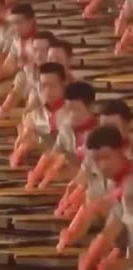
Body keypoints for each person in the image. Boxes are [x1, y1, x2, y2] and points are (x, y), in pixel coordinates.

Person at [56, 100, 132, 250]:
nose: (108, 132)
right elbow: (81, 180)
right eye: (103, 127)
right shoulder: (97, 147)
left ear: (128, 125)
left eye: (113, 127)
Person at [70, 126, 133, 270]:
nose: (102, 166)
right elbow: (111, 230)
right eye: (96, 160)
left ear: (122, 150)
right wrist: (91, 257)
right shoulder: (120, 185)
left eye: (106, 157)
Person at [25, 81, 97, 190]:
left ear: (91, 107)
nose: (71, 115)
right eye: (68, 109)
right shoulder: (65, 129)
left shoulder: (101, 134)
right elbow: (55, 153)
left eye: (76, 109)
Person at [9, 62, 68, 168]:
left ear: (63, 85)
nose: (48, 91)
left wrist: (40, 144)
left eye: (53, 86)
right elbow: (17, 154)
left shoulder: (73, 114)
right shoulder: (33, 117)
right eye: (44, 86)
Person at [0, 31, 56, 120]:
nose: (39, 55)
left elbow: (46, 107)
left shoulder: (57, 76)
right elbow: (16, 95)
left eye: (43, 50)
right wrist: (4, 110)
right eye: (35, 50)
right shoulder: (28, 72)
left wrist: (9, 113)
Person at [0, 3, 38, 94]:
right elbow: (9, 66)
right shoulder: (16, 41)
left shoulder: (40, 42)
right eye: (13, 23)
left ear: (31, 21)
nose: (15, 27)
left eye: (19, 22)